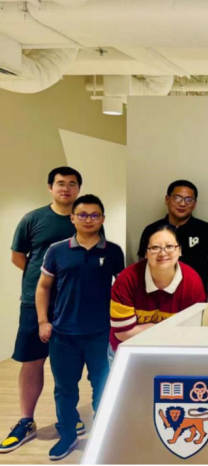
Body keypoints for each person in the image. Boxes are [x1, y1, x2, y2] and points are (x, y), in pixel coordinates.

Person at [35, 195, 125, 460]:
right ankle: (68, 435)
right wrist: (43, 321)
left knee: (103, 387)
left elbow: (123, 289)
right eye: (83, 215)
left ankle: (104, 433)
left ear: (103, 219)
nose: (89, 220)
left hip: (101, 334)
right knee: (65, 390)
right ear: (72, 218)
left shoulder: (113, 251)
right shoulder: (56, 250)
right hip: (63, 335)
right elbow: (43, 287)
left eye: (95, 215)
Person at [2, 167, 84, 455]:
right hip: (34, 303)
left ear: (78, 189)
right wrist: (46, 281)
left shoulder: (84, 219)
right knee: (32, 361)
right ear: (50, 187)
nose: (66, 188)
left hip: (72, 304)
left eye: (72, 184)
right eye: (60, 183)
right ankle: (26, 421)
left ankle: (68, 415)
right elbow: (18, 257)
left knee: (68, 363)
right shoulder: (33, 219)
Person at [110, 225, 205, 360]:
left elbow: (191, 331)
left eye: (170, 246)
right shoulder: (127, 280)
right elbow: (123, 333)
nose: (163, 253)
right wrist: (166, 329)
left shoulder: (192, 282)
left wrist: (147, 328)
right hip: (129, 351)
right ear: (145, 253)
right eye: (155, 247)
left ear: (180, 250)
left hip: (172, 352)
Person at [137, 180, 208, 300]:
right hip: (159, 297)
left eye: (189, 200)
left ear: (195, 204)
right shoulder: (152, 230)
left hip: (195, 296)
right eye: (177, 198)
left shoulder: (206, 230)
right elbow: (143, 266)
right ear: (167, 199)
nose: (182, 204)